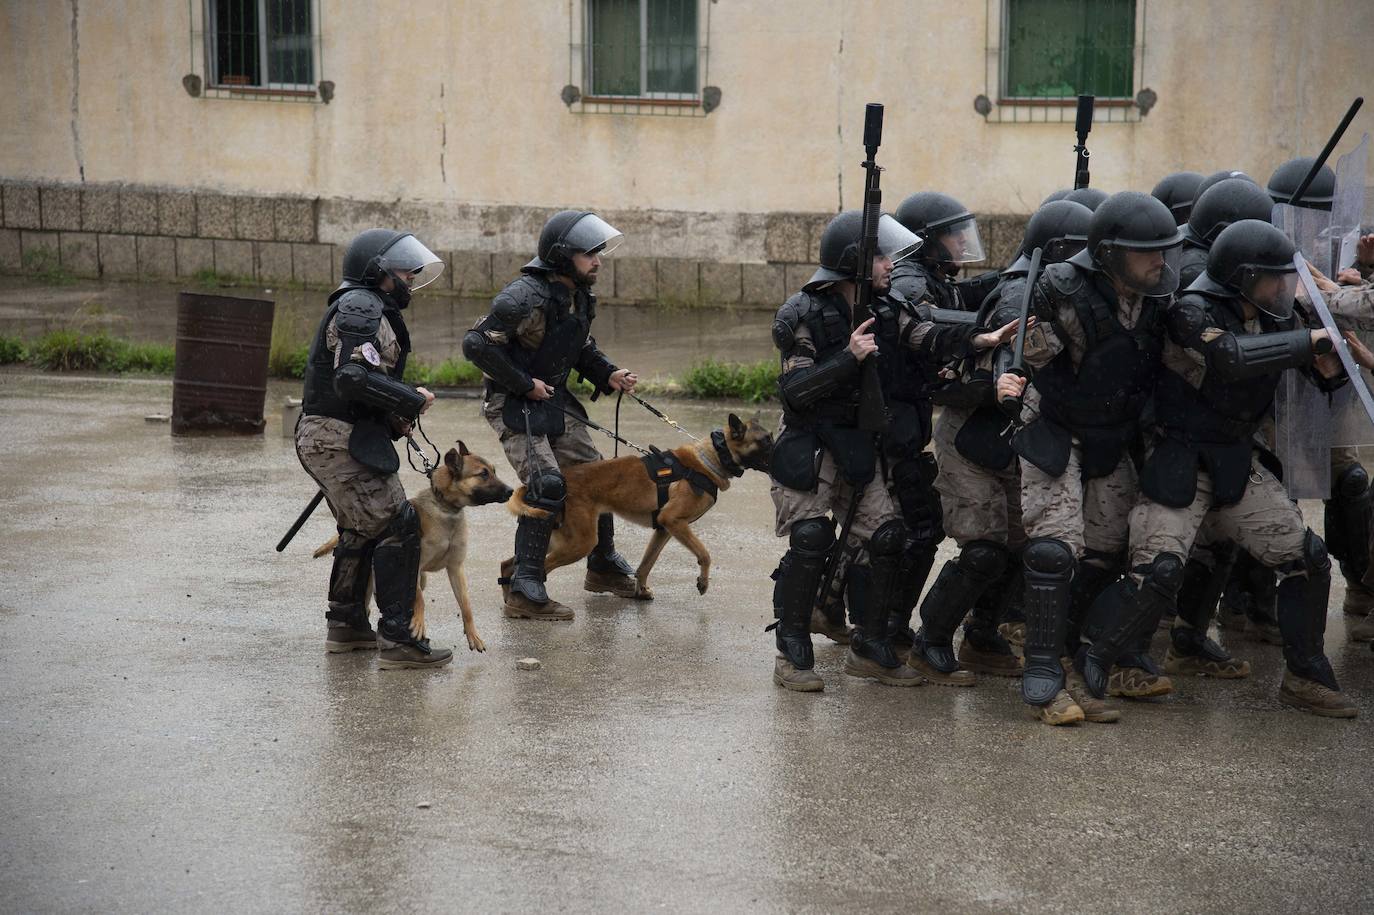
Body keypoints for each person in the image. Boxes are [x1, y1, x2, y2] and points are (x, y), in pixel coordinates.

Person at [1074, 220, 1355, 718]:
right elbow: (1228, 357)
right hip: (1178, 456)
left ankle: (1305, 675)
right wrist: (1306, 342)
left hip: (1233, 457)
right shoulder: (1189, 309)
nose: (1282, 288)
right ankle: (1095, 663)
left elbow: (1319, 372)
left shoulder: (1278, 315)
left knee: (1306, 558)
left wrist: (1333, 367)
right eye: (1272, 278)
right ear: (1242, 276)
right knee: (1157, 569)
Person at [768, 210, 1018, 692]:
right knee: (811, 538)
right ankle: (792, 648)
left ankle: (871, 645)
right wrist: (848, 358)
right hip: (809, 442)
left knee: (888, 535)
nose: (891, 265)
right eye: (881, 256)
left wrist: (980, 339)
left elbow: (925, 336)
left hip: (859, 442)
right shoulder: (802, 312)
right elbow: (795, 390)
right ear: (854, 261)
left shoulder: (884, 307)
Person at [996, 191, 1184, 725]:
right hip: (1053, 426)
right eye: (1146, 251)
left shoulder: (1157, 297)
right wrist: (1003, 380)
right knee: (1056, 550)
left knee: (1105, 553)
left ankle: (1076, 658)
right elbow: (1018, 356)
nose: (1160, 261)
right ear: (1110, 254)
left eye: (1164, 250)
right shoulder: (1061, 288)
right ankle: (1044, 677)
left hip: (1111, 433)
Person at [915, 200, 1093, 685]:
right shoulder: (1022, 296)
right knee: (984, 551)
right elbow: (996, 375)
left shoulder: (1062, 292)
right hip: (972, 437)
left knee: (1020, 547)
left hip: (1014, 442)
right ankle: (928, 640)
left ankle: (982, 635)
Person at [462, 211, 640, 621]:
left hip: (553, 399)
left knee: (599, 476)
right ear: (562, 256)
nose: (597, 261)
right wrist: (524, 383)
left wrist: (608, 372)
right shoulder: (521, 297)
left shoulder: (577, 294)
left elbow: (579, 346)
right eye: (588, 254)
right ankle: (524, 587)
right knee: (546, 484)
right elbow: (476, 345)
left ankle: (603, 564)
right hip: (512, 401)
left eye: (598, 253)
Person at [296, 229, 449, 668]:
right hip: (333, 435)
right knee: (397, 524)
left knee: (362, 528)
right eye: (403, 269)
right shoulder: (361, 304)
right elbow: (351, 377)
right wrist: (408, 398)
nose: (411, 276)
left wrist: (394, 414)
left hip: (339, 432)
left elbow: (358, 383)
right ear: (377, 271)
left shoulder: (369, 308)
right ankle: (398, 640)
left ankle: (346, 626)